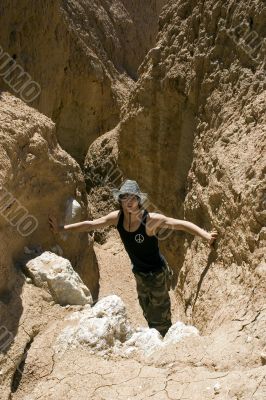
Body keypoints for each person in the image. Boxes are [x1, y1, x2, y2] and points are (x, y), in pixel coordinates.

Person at [49, 179, 218, 337]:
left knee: (161, 316)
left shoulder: (150, 220)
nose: (128, 201)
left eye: (132, 198)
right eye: (124, 197)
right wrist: (61, 228)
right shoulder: (117, 217)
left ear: (138, 199)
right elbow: (91, 224)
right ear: (120, 200)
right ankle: (155, 337)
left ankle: (166, 343)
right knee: (146, 310)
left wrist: (206, 235)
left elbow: (180, 224)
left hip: (157, 273)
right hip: (139, 273)